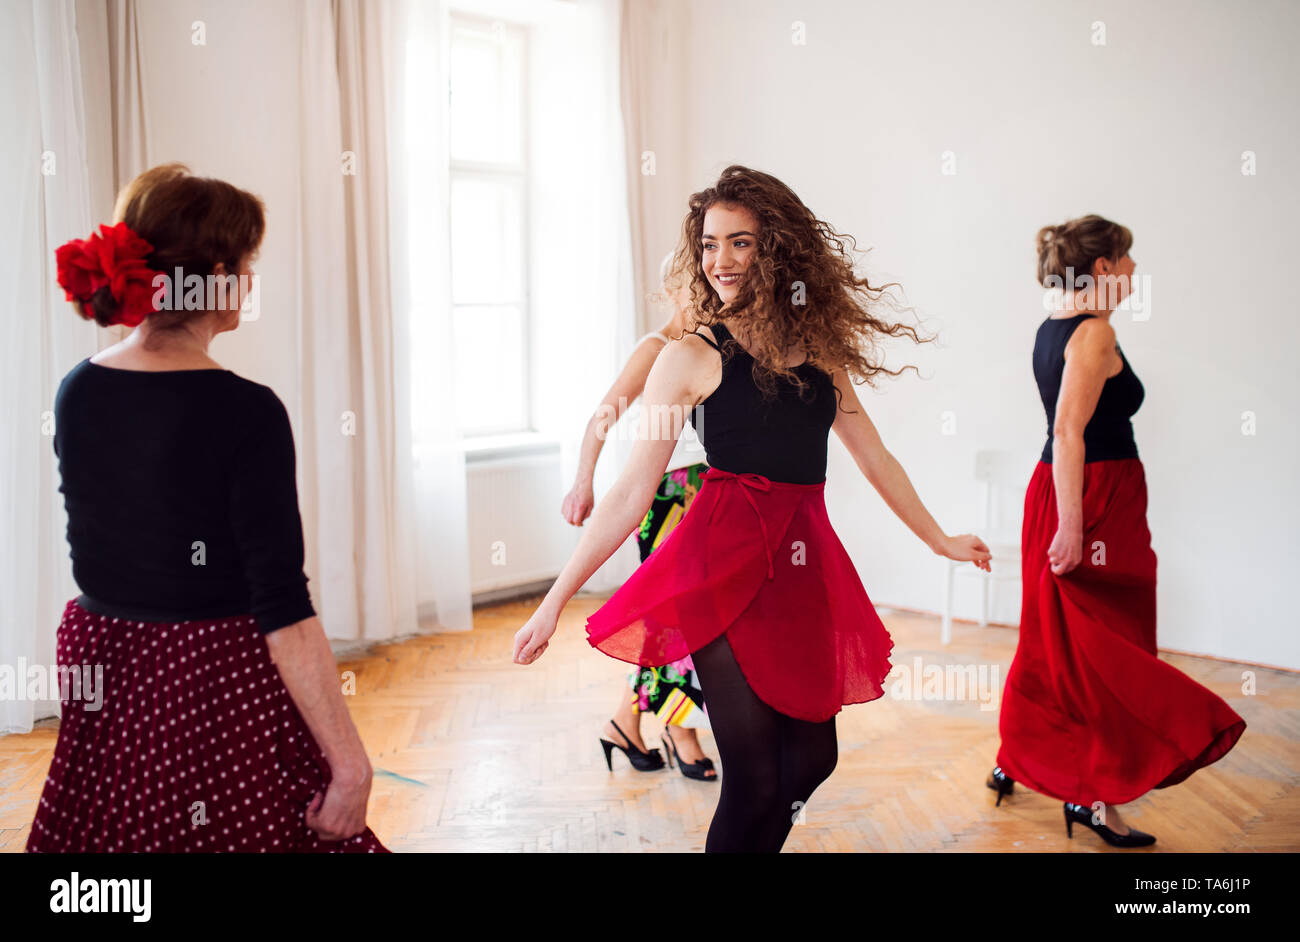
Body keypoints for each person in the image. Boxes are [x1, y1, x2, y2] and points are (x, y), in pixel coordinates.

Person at [515, 165, 991, 852]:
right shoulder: (688, 357)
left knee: (811, 760)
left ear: (778, 248)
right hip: (721, 567)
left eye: (739, 242)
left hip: (803, 567)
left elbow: (875, 456)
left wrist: (939, 538)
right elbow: (629, 493)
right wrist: (553, 600)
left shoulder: (820, 349)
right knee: (756, 780)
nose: (720, 261)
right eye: (709, 244)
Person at [27, 163, 387, 853]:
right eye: (248, 264)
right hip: (207, 674)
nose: (251, 282)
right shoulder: (245, 411)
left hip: (104, 654)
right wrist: (351, 765)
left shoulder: (78, 390)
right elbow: (283, 608)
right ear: (218, 275)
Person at [988, 215, 1246, 848]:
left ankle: (1021, 760)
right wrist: (1074, 530)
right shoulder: (1095, 332)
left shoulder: (1056, 328)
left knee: (1059, 643)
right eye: (1127, 260)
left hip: (1082, 494)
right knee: (1107, 649)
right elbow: (1068, 433)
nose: (1133, 271)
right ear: (1102, 268)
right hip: (1090, 499)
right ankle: (1095, 799)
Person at [562, 263, 716, 781]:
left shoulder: (715, 349)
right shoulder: (656, 348)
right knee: (677, 617)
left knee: (677, 615)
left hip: (710, 495)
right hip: (667, 493)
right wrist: (583, 482)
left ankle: (625, 725)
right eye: (693, 286)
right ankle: (680, 729)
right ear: (671, 291)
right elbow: (602, 416)